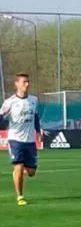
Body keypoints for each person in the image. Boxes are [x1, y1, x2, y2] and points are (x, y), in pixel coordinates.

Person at [0, 73, 41, 206]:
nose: (26, 84)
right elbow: (1, 116)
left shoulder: (33, 100)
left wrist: (38, 132)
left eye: (28, 82)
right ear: (17, 84)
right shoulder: (10, 102)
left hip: (30, 141)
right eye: (24, 82)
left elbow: (35, 117)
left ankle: (19, 171)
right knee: (18, 166)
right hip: (15, 140)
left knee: (31, 172)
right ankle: (20, 196)